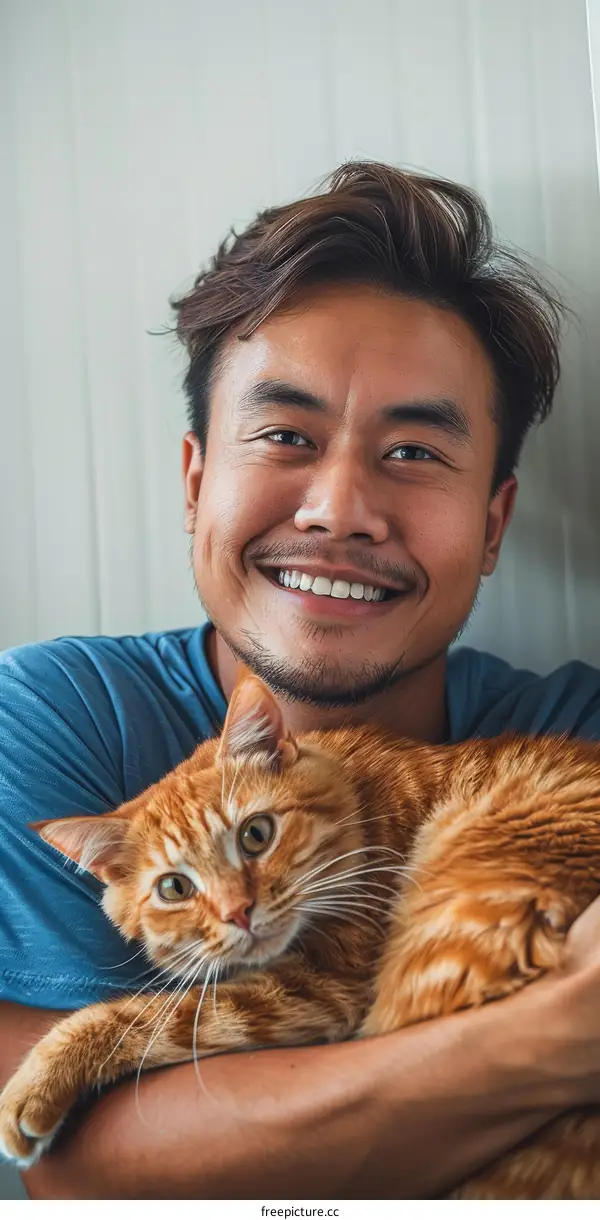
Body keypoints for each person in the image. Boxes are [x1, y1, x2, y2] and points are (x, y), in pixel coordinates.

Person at [3, 160, 600, 1201]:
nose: (339, 509)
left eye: (413, 449)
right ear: (195, 483)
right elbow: (81, 1170)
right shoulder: (57, 715)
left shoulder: (574, 725)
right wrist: (549, 1039)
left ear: (495, 524)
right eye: (286, 434)